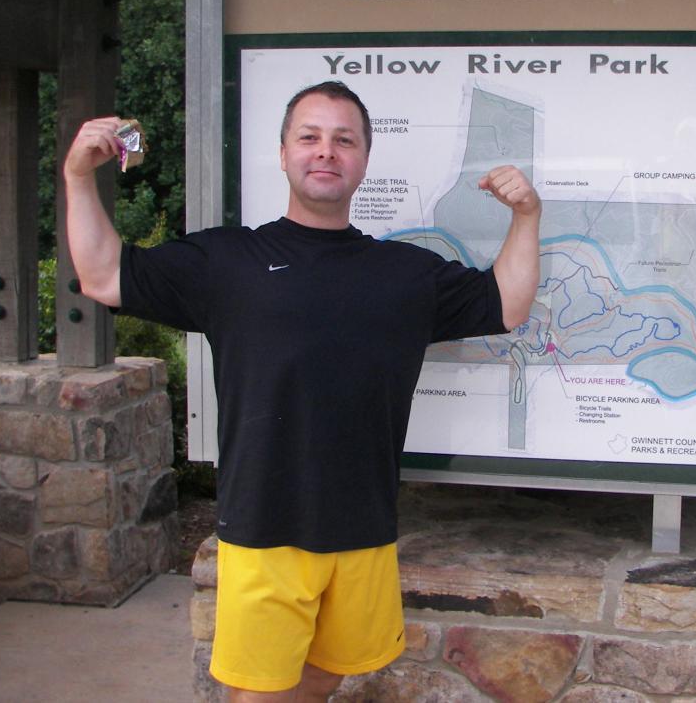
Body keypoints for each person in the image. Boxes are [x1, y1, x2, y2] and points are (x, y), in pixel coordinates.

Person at [63, 80, 541, 702]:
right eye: (309, 137)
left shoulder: (404, 274)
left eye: (344, 140)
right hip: (265, 528)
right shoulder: (227, 261)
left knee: (322, 680)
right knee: (260, 693)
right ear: (283, 153)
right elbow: (103, 275)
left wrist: (527, 215)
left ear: (364, 159)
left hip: (363, 527)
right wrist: (78, 177)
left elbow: (507, 304)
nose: (326, 151)